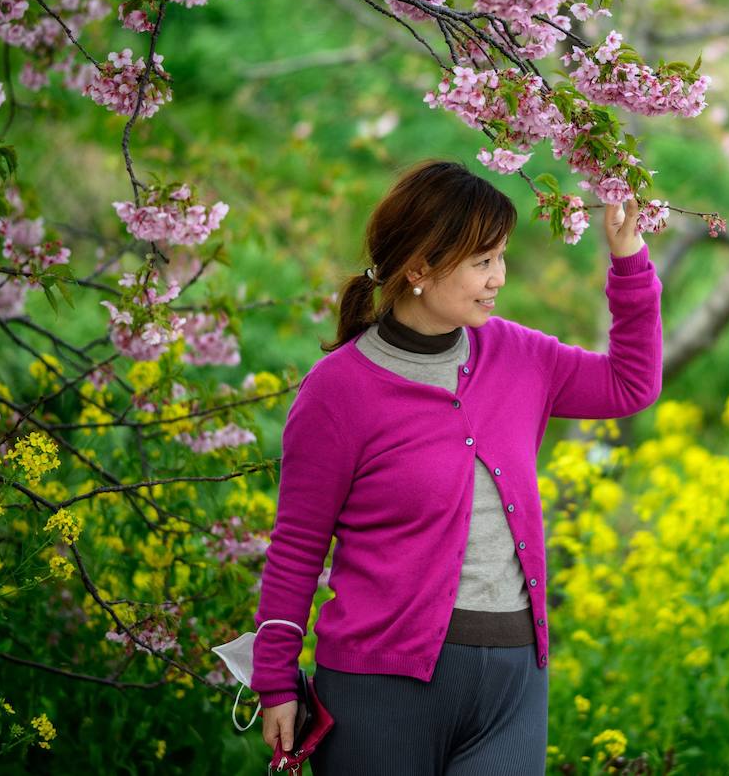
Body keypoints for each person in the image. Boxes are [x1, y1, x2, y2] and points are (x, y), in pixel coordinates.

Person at [249, 159, 663, 774]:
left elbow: (630, 385)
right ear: (419, 268)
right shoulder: (338, 391)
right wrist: (276, 680)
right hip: (377, 686)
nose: (499, 278)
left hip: (512, 681)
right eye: (482, 261)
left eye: (500, 257)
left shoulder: (522, 356)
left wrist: (629, 264)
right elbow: (298, 545)